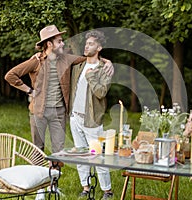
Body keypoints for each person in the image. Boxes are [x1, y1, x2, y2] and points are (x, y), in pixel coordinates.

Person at [4, 25, 113, 154]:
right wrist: (29, 91)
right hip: (38, 111)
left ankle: (54, 174)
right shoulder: (37, 61)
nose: (63, 44)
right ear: (49, 44)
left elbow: (89, 57)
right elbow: (10, 76)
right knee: (37, 149)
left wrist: (107, 61)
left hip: (59, 112)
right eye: (59, 41)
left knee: (59, 151)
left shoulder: (66, 59)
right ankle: (40, 173)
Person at [69, 30, 113, 199]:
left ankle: (107, 191)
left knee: (98, 157)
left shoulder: (104, 70)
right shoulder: (79, 66)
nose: (87, 46)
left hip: (93, 120)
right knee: (81, 155)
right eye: (86, 43)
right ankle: (85, 187)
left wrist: (91, 77)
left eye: (91, 44)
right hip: (75, 117)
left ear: (99, 47)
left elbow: (101, 92)